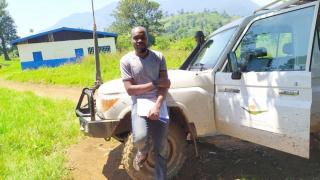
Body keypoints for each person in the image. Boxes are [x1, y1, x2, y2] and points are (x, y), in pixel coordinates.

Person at [120, 26, 171, 180]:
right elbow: (130, 90)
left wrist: (157, 105)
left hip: (158, 103)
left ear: (147, 38)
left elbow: (166, 84)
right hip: (139, 103)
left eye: (142, 37)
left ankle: (160, 177)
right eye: (136, 38)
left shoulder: (159, 57)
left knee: (161, 146)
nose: (139, 40)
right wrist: (154, 83)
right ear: (132, 40)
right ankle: (143, 150)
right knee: (140, 138)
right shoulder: (126, 60)